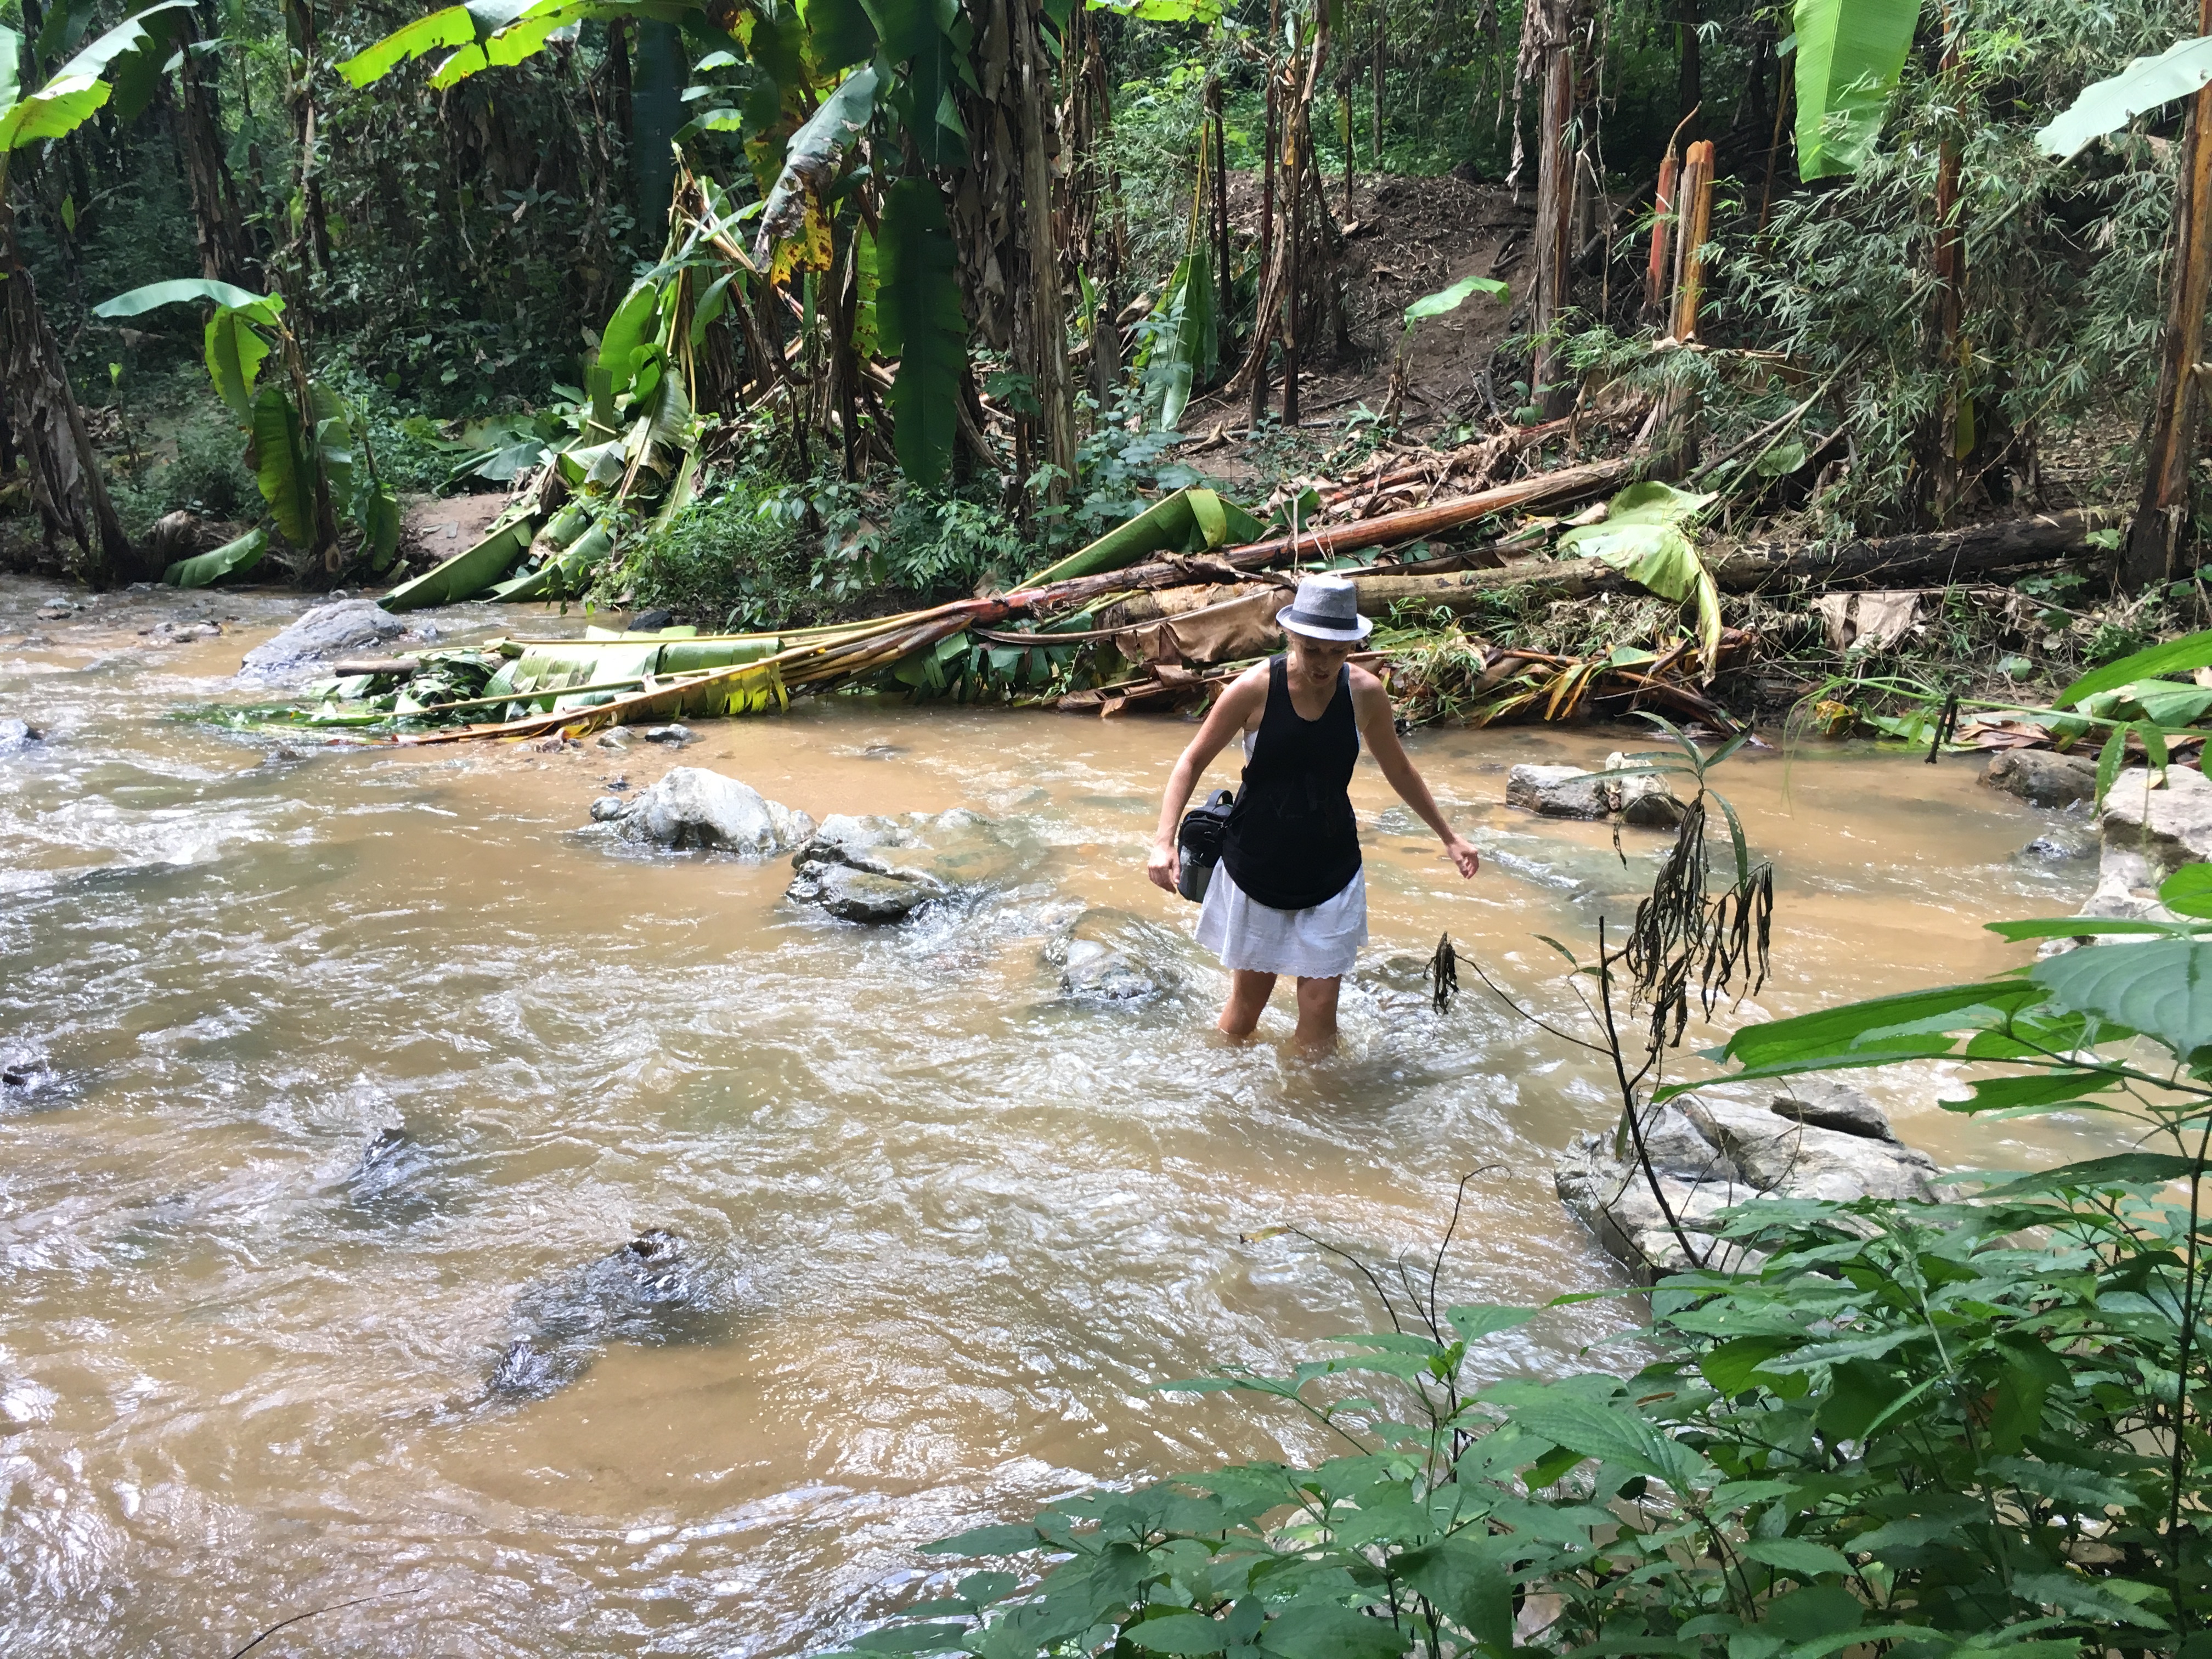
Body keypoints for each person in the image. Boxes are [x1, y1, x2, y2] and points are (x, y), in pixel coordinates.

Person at [1146, 572, 1481, 1050]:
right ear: (1291, 636)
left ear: (1352, 646)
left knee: (1322, 1009)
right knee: (1246, 1010)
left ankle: (1312, 1109)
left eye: (1336, 651)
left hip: (1331, 868)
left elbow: (1400, 770)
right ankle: (1227, 1104)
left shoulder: (1364, 694)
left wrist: (1450, 837)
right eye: (1312, 648)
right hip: (1257, 866)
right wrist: (1163, 842)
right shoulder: (1256, 688)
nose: (1324, 663)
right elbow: (1192, 760)